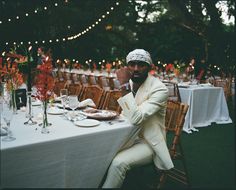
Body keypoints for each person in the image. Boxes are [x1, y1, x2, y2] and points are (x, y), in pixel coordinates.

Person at [102, 49, 174, 188]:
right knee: (99, 149)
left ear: (149, 67)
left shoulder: (160, 89)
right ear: (127, 66)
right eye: (132, 64)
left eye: (141, 65)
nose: (136, 69)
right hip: (127, 135)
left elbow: (136, 118)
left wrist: (123, 86)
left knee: (118, 163)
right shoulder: (130, 83)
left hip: (148, 142)